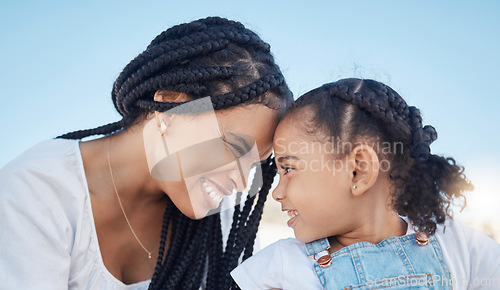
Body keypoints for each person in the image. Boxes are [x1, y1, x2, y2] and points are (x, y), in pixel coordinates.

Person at [0, 17, 293, 289]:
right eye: (232, 148)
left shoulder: (220, 226)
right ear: (171, 109)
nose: (242, 184)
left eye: (254, 164)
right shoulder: (36, 193)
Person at [231, 78, 500, 289]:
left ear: (358, 171)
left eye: (288, 169)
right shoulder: (279, 268)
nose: (277, 192)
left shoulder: (459, 246)